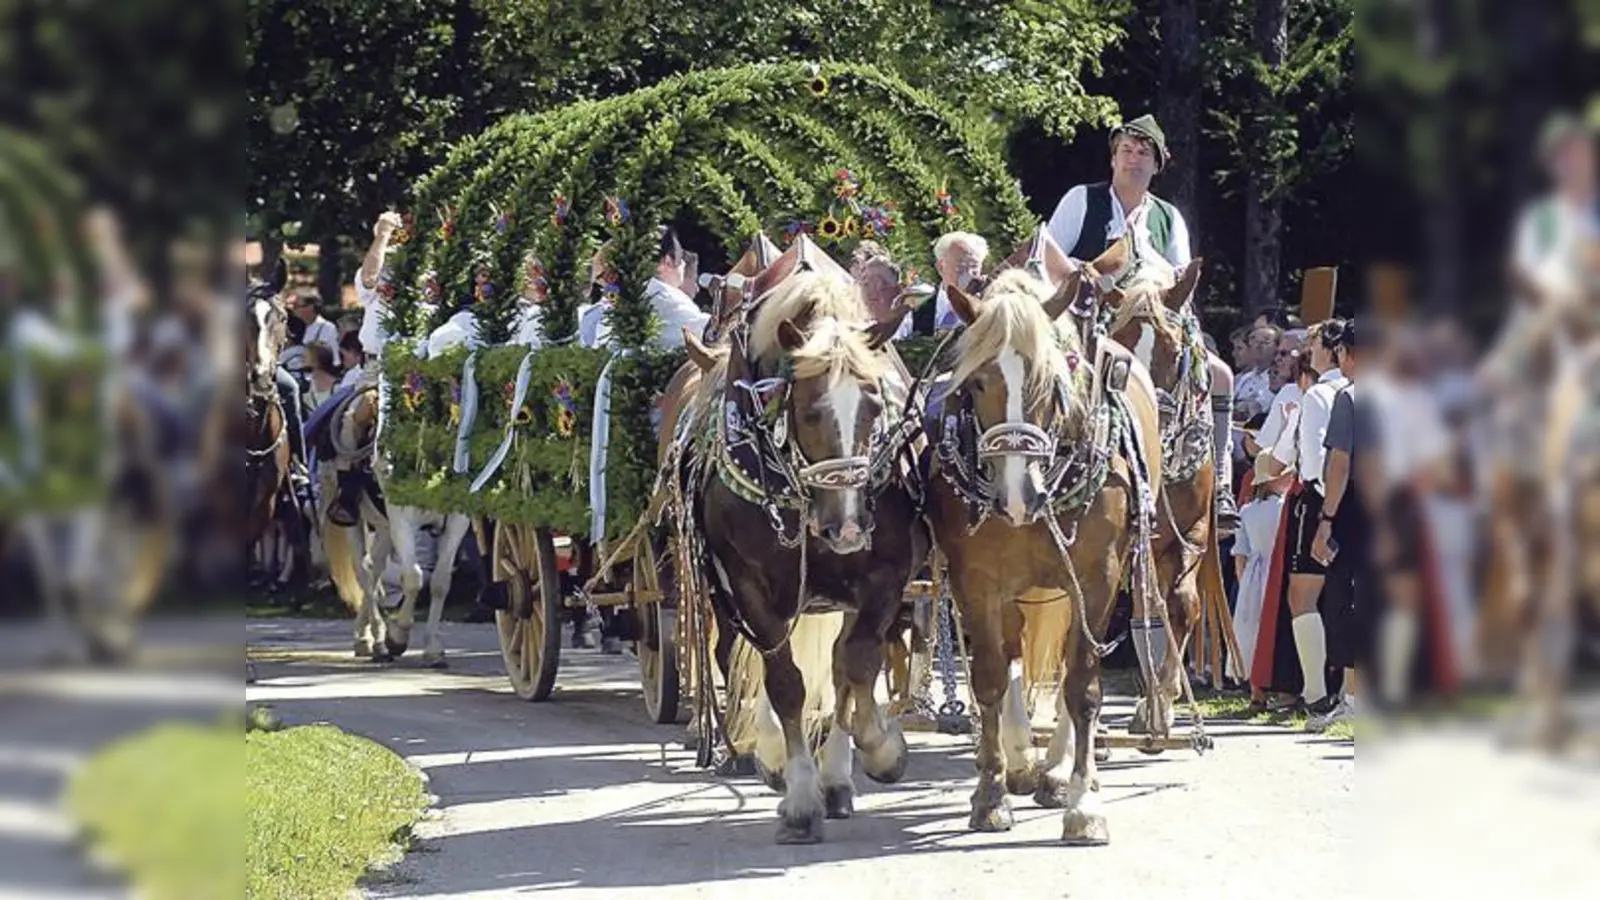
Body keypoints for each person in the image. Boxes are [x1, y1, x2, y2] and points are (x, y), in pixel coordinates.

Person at [1045, 113, 1239, 532]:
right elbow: (1048, 257)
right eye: (1127, 151)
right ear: (1113, 159)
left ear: (1157, 164)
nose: (1134, 159)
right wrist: (1088, 278)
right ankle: (1037, 466)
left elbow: (1181, 276)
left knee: (1221, 376)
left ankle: (1220, 483)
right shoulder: (1083, 200)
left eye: (1143, 153)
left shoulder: (1168, 217)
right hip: (1086, 323)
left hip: (1152, 320)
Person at [1258, 320, 1351, 715]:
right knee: (1345, 595)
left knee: (1304, 597)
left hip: (1316, 499)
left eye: (1312, 344)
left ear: (1331, 350)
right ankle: (1342, 689)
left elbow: (1313, 460)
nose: (1304, 352)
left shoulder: (1317, 396)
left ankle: (1314, 692)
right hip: (1349, 497)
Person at [580, 228, 709, 349]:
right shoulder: (664, 297)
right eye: (681, 258)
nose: (603, 285)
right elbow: (705, 333)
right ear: (668, 261)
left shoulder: (601, 309)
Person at [1233, 451, 1291, 702]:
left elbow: (1240, 553)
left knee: (1251, 628)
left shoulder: (1246, 510)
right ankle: (1282, 686)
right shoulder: (1283, 509)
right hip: (1275, 570)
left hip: (1252, 575)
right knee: (1274, 627)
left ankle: (1255, 689)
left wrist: (1243, 581)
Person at [910, 232, 989, 336]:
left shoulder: (988, 310)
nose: (968, 274)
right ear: (941, 267)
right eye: (961, 266)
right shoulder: (917, 304)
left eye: (974, 267)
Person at [289, 290, 339, 360]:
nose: (293, 309)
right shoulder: (296, 328)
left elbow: (335, 358)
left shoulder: (327, 328)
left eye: (296, 305)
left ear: (311, 307)